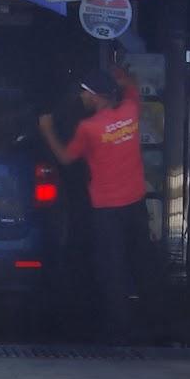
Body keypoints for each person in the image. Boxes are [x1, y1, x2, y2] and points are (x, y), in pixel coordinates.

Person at [39, 61, 163, 344]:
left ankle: (120, 329)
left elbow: (66, 158)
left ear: (95, 96)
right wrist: (122, 77)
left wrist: (47, 130)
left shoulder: (89, 128)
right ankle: (156, 321)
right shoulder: (130, 111)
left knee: (112, 267)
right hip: (135, 202)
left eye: (85, 92)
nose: (82, 96)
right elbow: (132, 87)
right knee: (143, 262)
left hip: (107, 209)